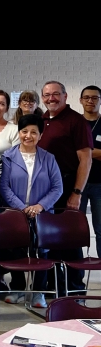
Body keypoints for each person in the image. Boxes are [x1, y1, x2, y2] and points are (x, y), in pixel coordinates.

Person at [0, 114, 63, 308]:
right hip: (15, 213)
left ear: (41, 135)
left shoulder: (49, 158)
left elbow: (57, 188)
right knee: (16, 250)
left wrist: (39, 206)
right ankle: (17, 288)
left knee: (42, 252)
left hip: (42, 214)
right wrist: (22, 207)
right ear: (18, 133)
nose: (28, 136)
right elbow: (4, 187)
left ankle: (38, 292)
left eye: (34, 132)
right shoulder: (8, 157)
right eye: (24, 131)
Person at [38, 80, 93, 296]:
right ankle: (54, 288)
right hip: (46, 190)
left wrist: (77, 192)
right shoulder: (42, 119)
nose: (51, 98)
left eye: (55, 94)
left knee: (69, 240)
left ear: (65, 96)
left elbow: (86, 159)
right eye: (47, 95)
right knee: (50, 239)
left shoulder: (76, 121)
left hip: (67, 186)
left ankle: (75, 290)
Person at [80, 85, 101, 259]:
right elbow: (69, 151)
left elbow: (78, 152)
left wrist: (84, 152)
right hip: (78, 185)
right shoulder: (75, 123)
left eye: (95, 98)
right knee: (76, 229)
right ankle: (76, 270)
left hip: (99, 184)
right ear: (81, 100)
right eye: (86, 97)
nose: (90, 101)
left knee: (100, 230)